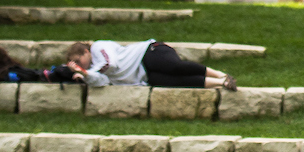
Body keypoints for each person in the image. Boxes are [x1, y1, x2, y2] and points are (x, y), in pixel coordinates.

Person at [43, 38, 237, 91]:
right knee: (176, 81)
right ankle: (222, 84)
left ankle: (220, 74)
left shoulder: (99, 48)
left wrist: (85, 71)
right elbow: (99, 81)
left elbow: (112, 64)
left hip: (149, 53)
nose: (79, 64)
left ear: (85, 51)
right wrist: (84, 75)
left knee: (176, 68)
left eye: (78, 60)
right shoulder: (92, 70)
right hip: (144, 76)